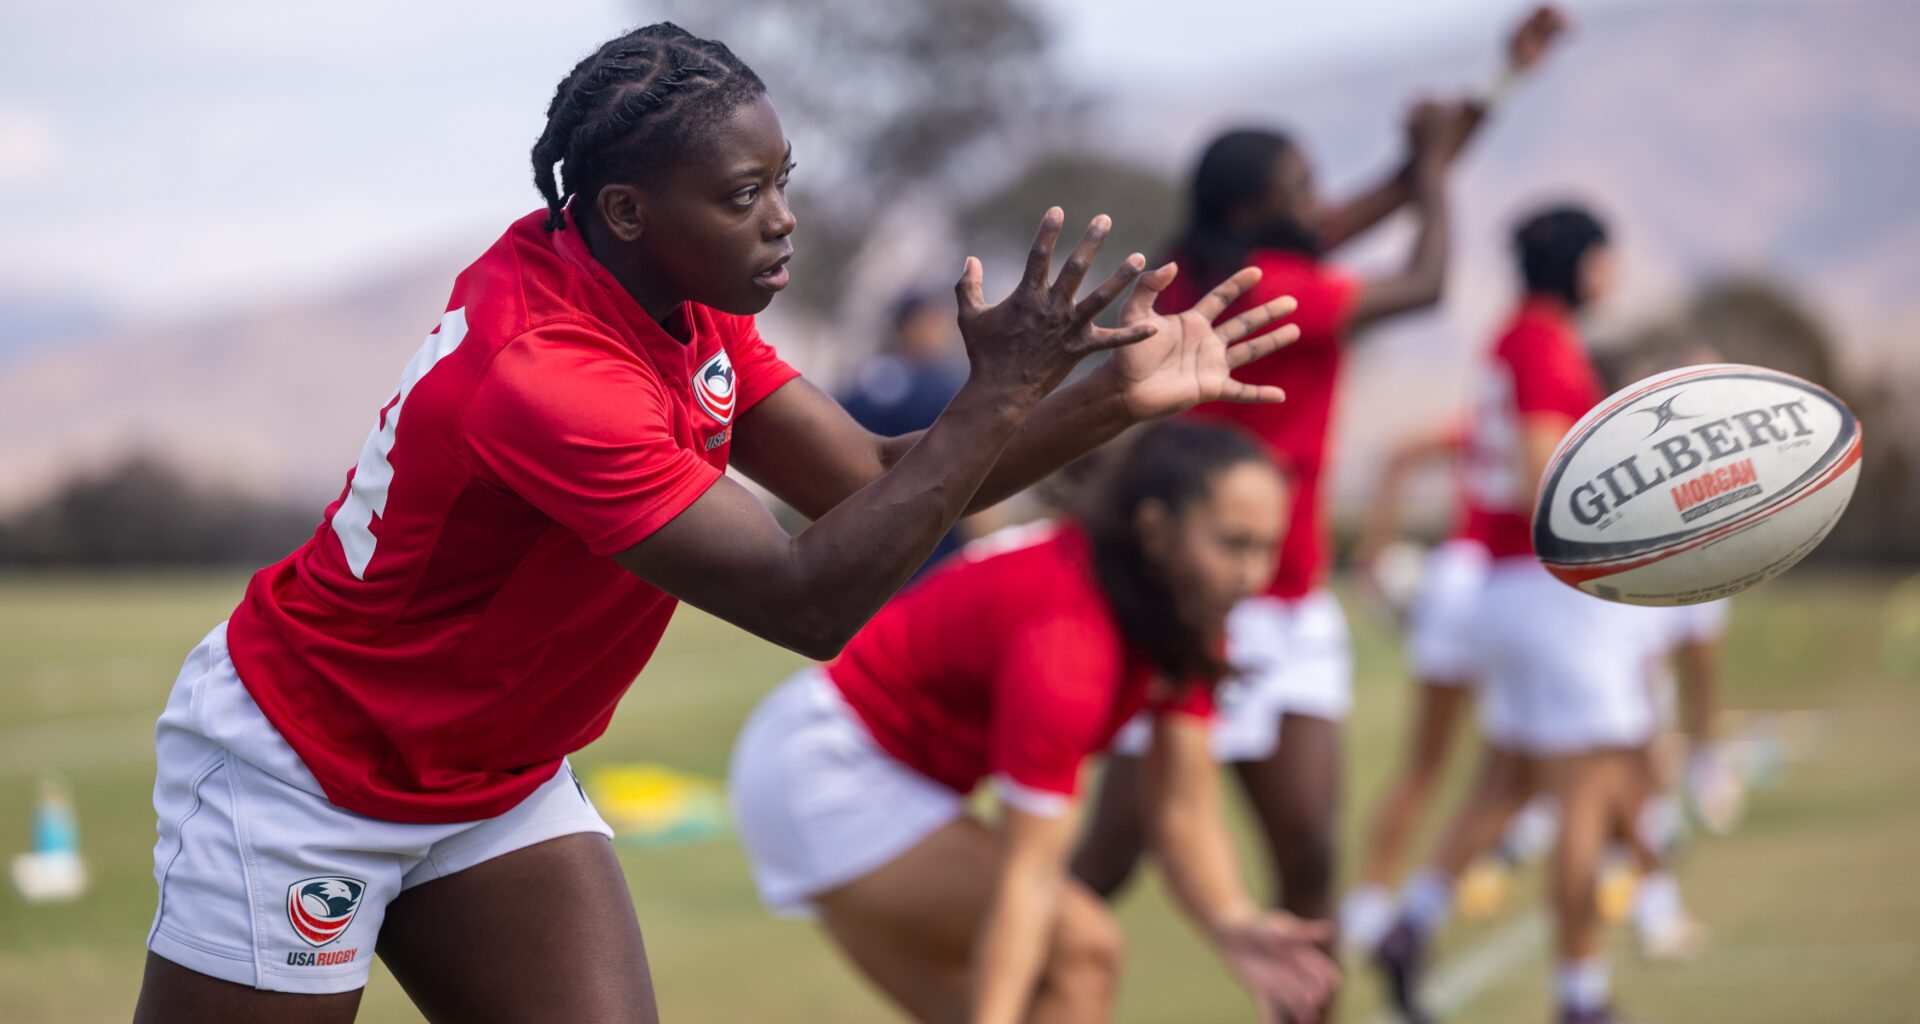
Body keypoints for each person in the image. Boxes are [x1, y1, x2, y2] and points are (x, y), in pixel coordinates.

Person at [132, 23, 1309, 1024]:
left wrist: (1106, 399)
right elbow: (807, 600)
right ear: (626, 210)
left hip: (490, 778)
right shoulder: (547, 374)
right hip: (310, 767)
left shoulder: (677, 303)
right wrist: (997, 393)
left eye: (783, 181)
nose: (784, 220)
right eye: (746, 197)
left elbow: (867, 480)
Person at [1071, 5, 1571, 976]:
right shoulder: (1268, 284)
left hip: (1290, 602)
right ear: (1253, 211)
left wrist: (1496, 84)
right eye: (1301, 187)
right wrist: (1432, 169)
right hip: (1207, 604)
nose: (1321, 199)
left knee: (1307, 861)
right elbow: (1424, 281)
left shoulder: (1237, 259)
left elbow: (1395, 188)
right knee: (1115, 854)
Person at [731, 421, 1339, 1024]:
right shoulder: (1070, 640)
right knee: (1082, 950)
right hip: (829, 772)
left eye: (1267, 547)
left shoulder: (1177, 609)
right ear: (1156, 530)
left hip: (857, 766)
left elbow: (1182, 807)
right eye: (1233, 544)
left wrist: (1233, 921)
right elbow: (1028, 881)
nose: (1252, 576)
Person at [1373, 205, 1657, 1024]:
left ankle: (1412, 923)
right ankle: (1581, 997)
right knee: (1586, 793)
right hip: (1545, 595)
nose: (1613, 274)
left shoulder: (1516, 336)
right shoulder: (1541, 341)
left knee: (1511, 777)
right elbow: (1547, 481)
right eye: (1605, 258)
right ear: (1578, 262)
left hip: (1506, 590)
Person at [1339, 425, 1492, 953]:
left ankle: (1368, 901)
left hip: (1454, 579)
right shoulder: (1556, 409)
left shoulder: (1491, 409)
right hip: (1510, 577)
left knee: (1427, 761)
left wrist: (1373, 547)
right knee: (1527, 762)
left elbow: (1401, 453)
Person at [839, 290, 971, 574]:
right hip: (931, 561)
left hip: (857, 555)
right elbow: (972, 467)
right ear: (914, 326)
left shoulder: (861, 384)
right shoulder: (944, 390)